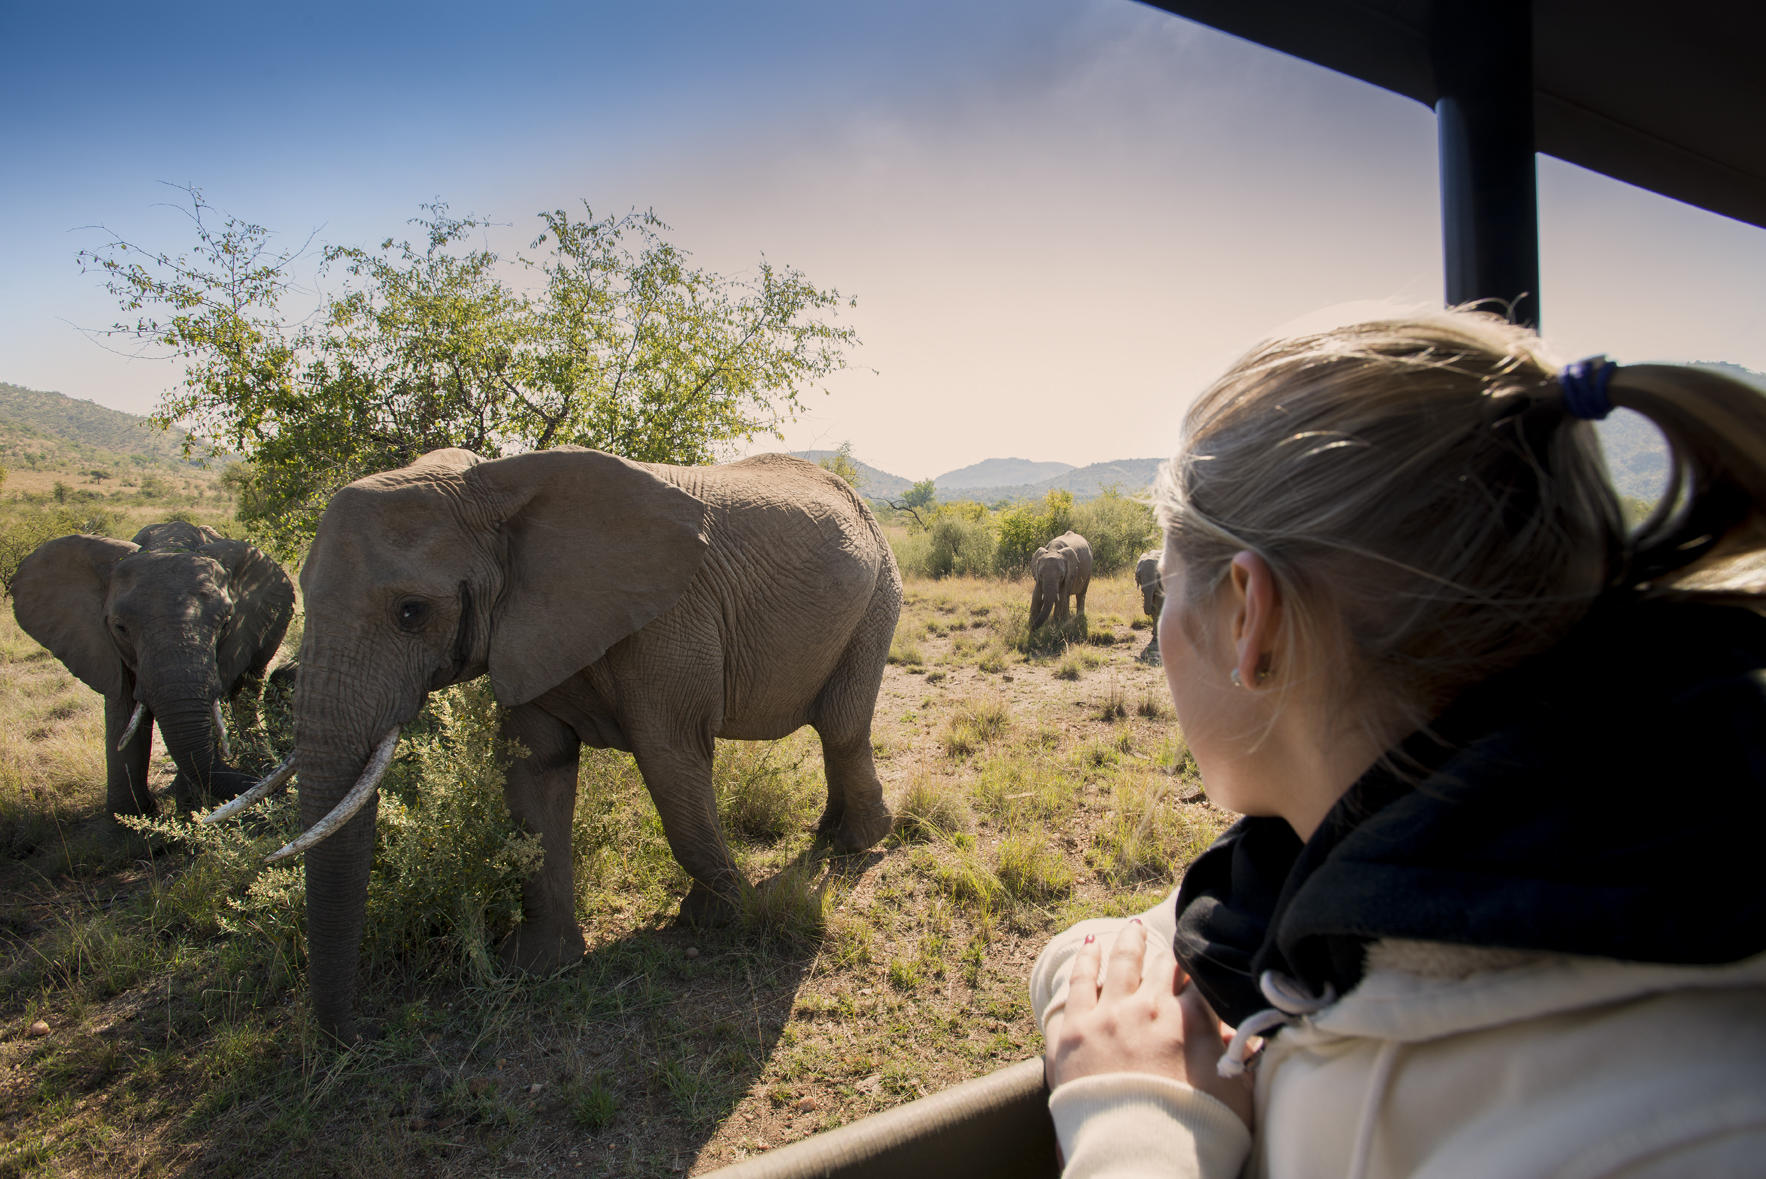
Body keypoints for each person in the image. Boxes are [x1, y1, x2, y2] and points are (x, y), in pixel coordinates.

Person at [1031, 307, 1766, 1178]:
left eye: (1174, 586)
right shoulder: (1612, 840)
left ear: (1247, 618)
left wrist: (1138, 1129)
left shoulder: (1671, 1139)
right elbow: (1088, 951)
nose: (1163, 637)